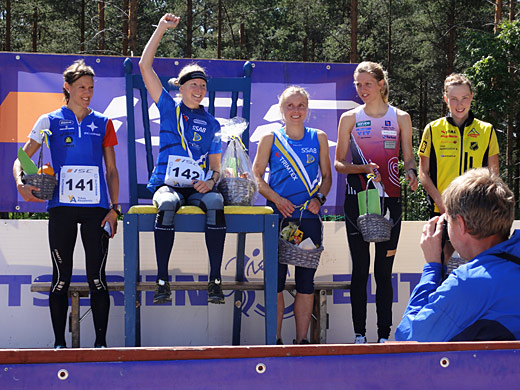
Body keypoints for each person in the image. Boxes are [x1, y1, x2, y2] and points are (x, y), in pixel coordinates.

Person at [13, 60, 120, 348]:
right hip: (61, 207)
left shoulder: (103, 122)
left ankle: (100, 345)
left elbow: (111, 170)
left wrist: (114, 208)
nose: (87, 93)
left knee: (97, 278)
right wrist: (21, 183)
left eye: (91, 88)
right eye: (82, 87)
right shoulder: (48, 120)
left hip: (96, 209)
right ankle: (59, 344)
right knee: (61, 278)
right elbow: (22, 158)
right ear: (67, 87)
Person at [139, 13, 226, 305]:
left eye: (203, 86)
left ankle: (215, 281)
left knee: (215, 202)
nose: (199, 90)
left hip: (197, 186)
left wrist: (211, 181)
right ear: (181, 87)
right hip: (168, 184)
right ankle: (162, 281)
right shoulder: (167, 107)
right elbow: (144, 65)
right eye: (193, 85)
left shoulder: (212, 123)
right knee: (165, 204)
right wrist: (162, 28)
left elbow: (215, 167)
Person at [334, 61, 418, 344]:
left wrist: (411, 174)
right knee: (360, 269)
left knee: (384, 272)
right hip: (357, 200)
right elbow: (339, 163)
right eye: (358, 84)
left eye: (367, 84)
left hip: (390, 202)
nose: (362, 90)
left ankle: (384, 336)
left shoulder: (401, 117)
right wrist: (363, 169)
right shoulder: (350, 118)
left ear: (381, 84)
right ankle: (359, 335)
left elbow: (408, 158)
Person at [395, 168, 520, 342]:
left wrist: (433, 267)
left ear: (461, 224)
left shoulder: (470, 282)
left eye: (449, 220)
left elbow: (410, 338)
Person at [252, 86, 332, 344]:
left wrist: (319, 198)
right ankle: (274, 341)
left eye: (301, 106)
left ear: (307, 109)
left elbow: (327, 177)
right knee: (275, 282)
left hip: (308, 219)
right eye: (290, 106)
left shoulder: (318, 137)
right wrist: (277, 200)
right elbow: (256, 176)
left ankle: (302, 342)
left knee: (305, 282)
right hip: (278, 217)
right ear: (281, 110)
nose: (295, 111)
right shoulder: (270, 138)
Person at [418, 73, 499, 217]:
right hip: (442, 210)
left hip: (475, 209)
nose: (459, 104)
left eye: (464, 98)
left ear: (472, 97)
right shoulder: (432, 129)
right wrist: (440, 201)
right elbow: (423, 173)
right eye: (453, 99)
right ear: (445, 99)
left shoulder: (487, 130)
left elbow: (493, 174)